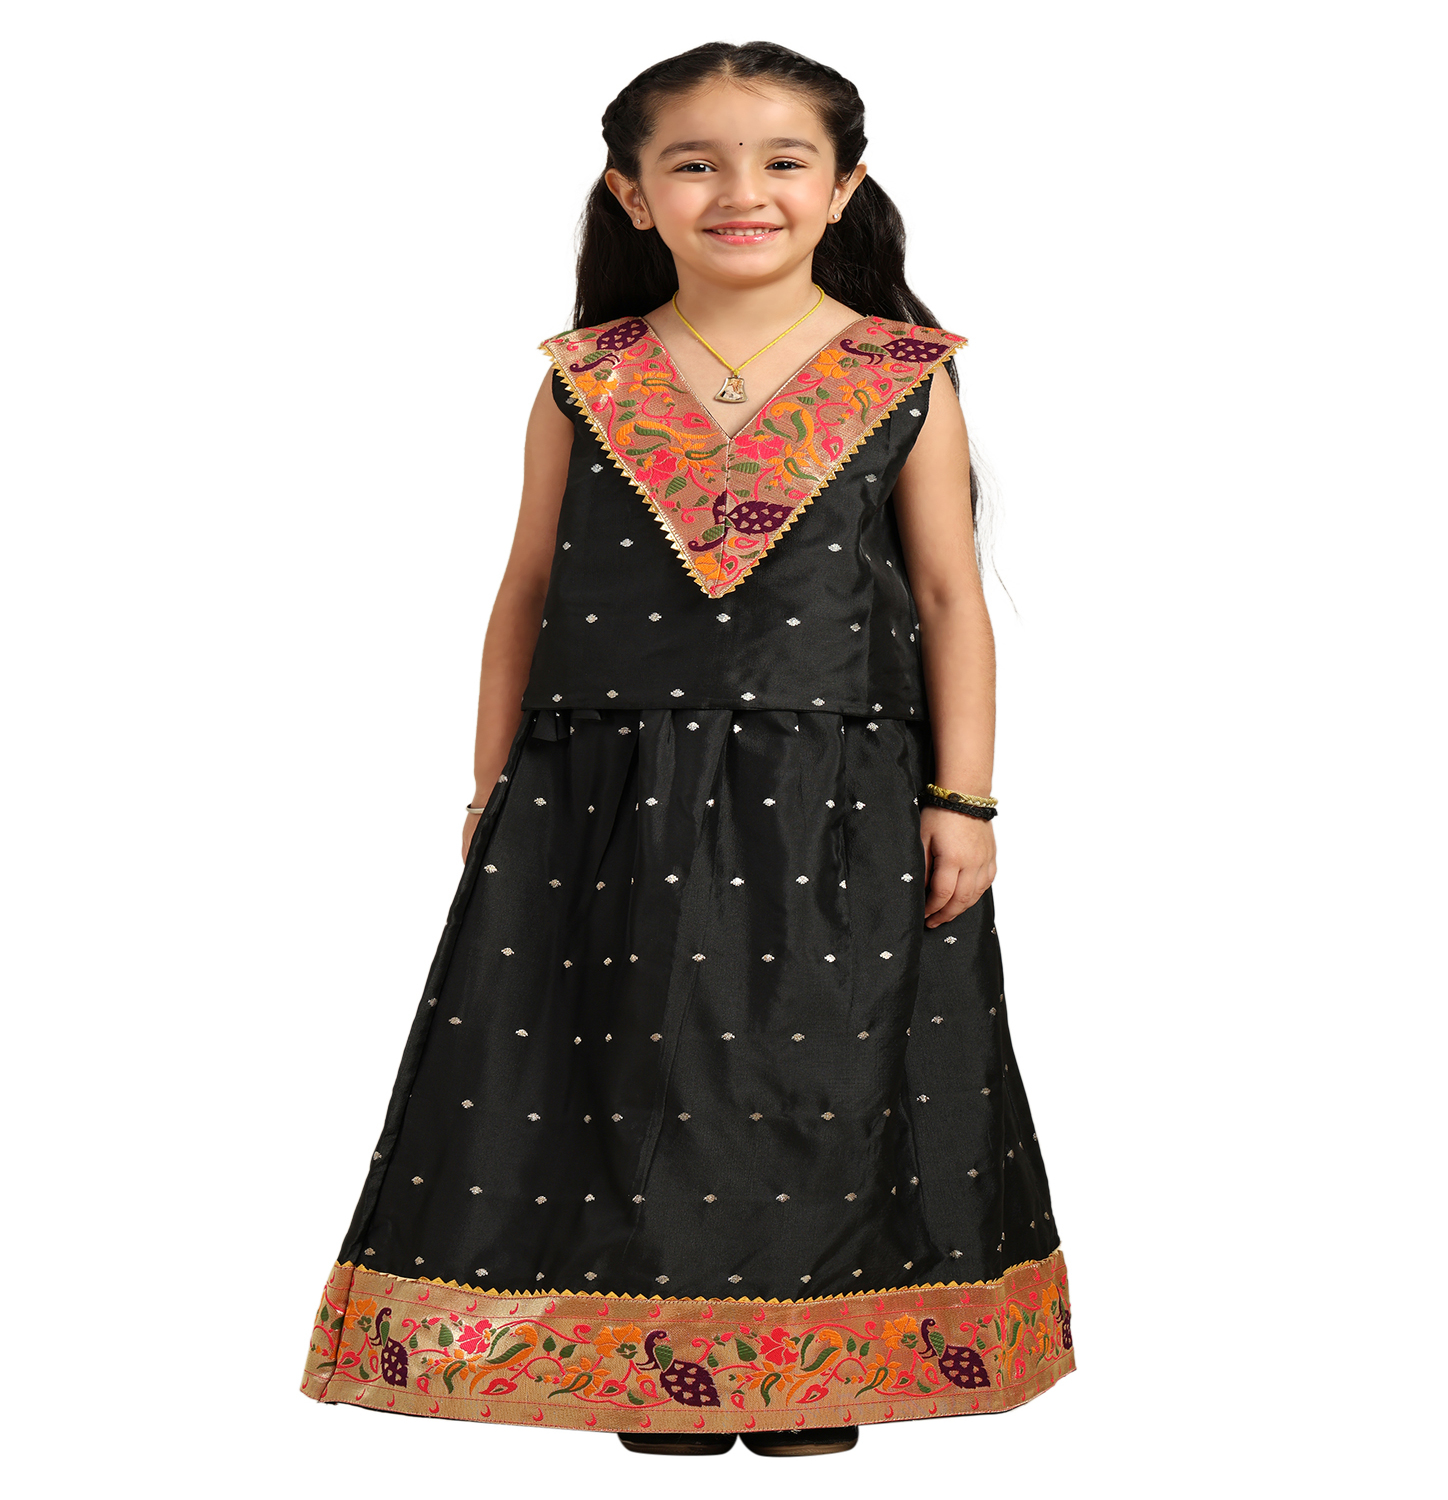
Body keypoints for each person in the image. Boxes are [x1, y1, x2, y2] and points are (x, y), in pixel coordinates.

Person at [300, 40, 1075, 1457]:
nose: (742, 193)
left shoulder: (902, 374)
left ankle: (822, 1364)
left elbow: (950, 595)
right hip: (602, 791)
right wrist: (492, 785)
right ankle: (648, 1366)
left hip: (835, 794)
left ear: (843, 187)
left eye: (784, 162)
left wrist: (963, 799)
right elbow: (529, 589)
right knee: (624, 1074)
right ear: (632, 192)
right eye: (696, 163)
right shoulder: (585, 377)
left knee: (820, 1075)